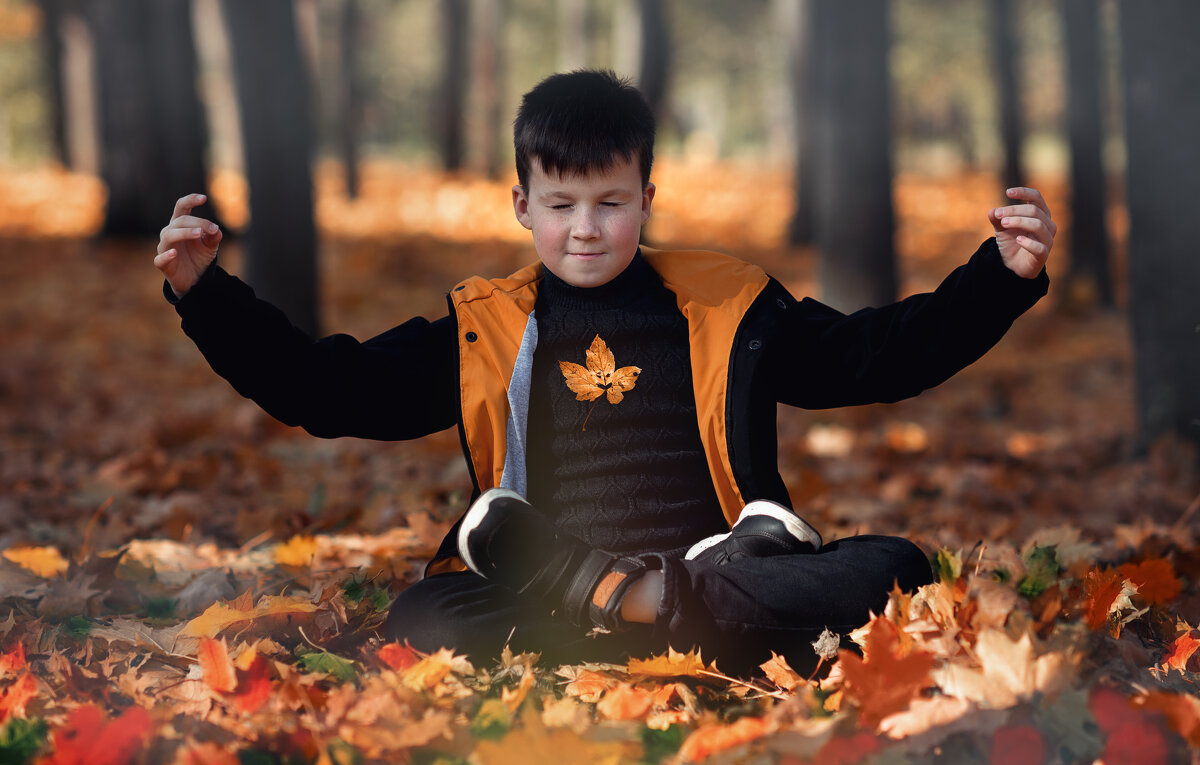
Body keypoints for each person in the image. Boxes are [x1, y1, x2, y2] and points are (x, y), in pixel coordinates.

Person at [156, 70, 1053, 676]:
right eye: (562, 205)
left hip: (700, 569)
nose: (586, 228)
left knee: (898, 568)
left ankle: (636, 604)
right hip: (554, 583)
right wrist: (209, 299)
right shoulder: (489, 325)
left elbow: (876, 355)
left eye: (611, 203)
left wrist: (997, 279)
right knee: (420, 620)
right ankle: (648, 613)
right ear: (522, 206)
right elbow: (328, 386)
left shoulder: (730, 303)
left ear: (647, 199)